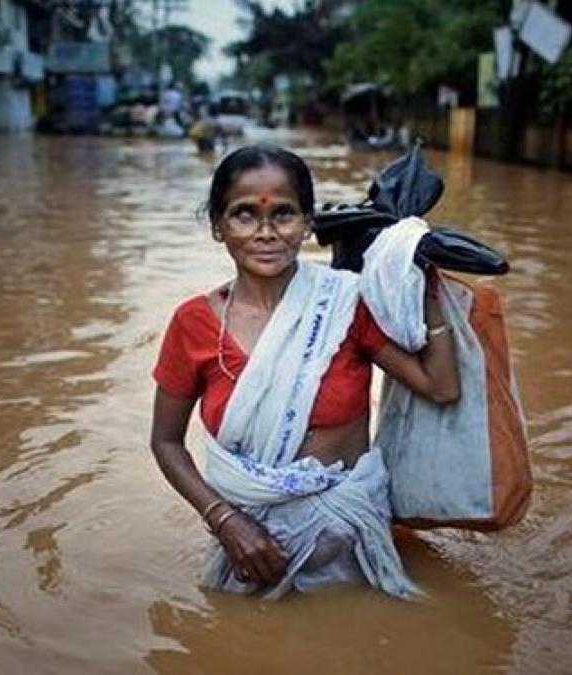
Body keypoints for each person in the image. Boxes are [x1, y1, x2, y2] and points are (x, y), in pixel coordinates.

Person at [149, 145, 460, 599]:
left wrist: (424, 282)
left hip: (351, 544)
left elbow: (441, 386)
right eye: (244, 215)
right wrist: (225, 520)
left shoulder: (346, 304)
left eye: (284, 214)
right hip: (249, 551)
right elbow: (166, 441)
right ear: (218, 226)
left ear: (308, 223)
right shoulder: (192, 324)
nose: (267, 232)